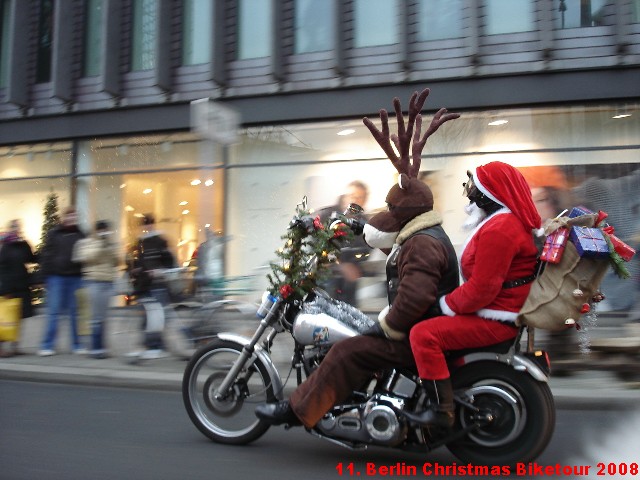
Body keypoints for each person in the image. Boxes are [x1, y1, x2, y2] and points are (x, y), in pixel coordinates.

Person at [255, 87, 461, 428]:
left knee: (346, 349)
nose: (387, 213)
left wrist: (384, 328)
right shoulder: (421, 235)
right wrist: (353, 226)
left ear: (406, 213)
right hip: (415, 327)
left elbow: (415, 298)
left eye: (392, 208)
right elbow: (389, 244)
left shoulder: (422, 243)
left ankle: (298, 410)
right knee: (355, 335)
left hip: (411, 332)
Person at [407, 161, 541, 427]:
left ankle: (441, 411)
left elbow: (483, 289)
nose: (470, 195)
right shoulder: (503, 223)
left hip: (495, 318)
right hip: (499, 312)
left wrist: (444, 304)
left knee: (423, 334)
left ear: (491, 192)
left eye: (474, 188)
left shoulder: (500, 229)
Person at [38, 206, 86, 356]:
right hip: (56, 277)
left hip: (75, 277)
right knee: (54, 312)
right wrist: (44, 276)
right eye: (69, 216)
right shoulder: (54, 233)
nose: (72, 219)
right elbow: (47, 255)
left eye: (74, 216)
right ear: (64, 217)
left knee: (75, 313)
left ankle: (77, 344)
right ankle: (47, 345)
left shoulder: (81, 234)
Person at [316, 180, 372, 306]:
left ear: (364, 201)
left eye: (359, 198)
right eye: (352, 196)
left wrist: (356, 265)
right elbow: (316, 247)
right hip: (324, 281)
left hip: (349, 284)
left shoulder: (364, 223)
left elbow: (366, 249)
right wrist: (340, 265)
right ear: (345, 196)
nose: (355, 201)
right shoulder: (326, 215)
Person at [128, 213, 176, 358]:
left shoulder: (159, 241)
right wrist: (136, 270)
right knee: (150, 316)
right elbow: (137, 261)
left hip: (156, 284)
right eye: (145, 224)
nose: (147, 226)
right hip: (144, 284)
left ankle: (155, 346)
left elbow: (169, 261)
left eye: (149, 223)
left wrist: (160, 271)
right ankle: (153, 345)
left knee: (156, 316)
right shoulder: (140, 242)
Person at [72, 220, 120, 359]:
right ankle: (95, 348)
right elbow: (88, 258)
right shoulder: (87, 243)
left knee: (103, 317)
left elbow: (116, 261)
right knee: (95, 317)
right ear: (96, 231)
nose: (104, 232)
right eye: (101, 230)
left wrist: (110, 248)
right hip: (93, 281)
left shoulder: (110, 244)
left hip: (108, 282)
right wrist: (101, 244)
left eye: (106, 229)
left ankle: (102, 347)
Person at [0, 219, 36, 357]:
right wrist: (6, 289)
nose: (17, 229)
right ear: (10, 228)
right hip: (9, 288)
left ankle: (15, 346)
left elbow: (31, 259)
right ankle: (1, 347)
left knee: (19, 318)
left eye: (18, 227)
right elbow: (2, 268)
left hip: (22, 286)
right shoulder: (5, 246)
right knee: (5, 318)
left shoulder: (23, 244)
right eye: (14, 227)